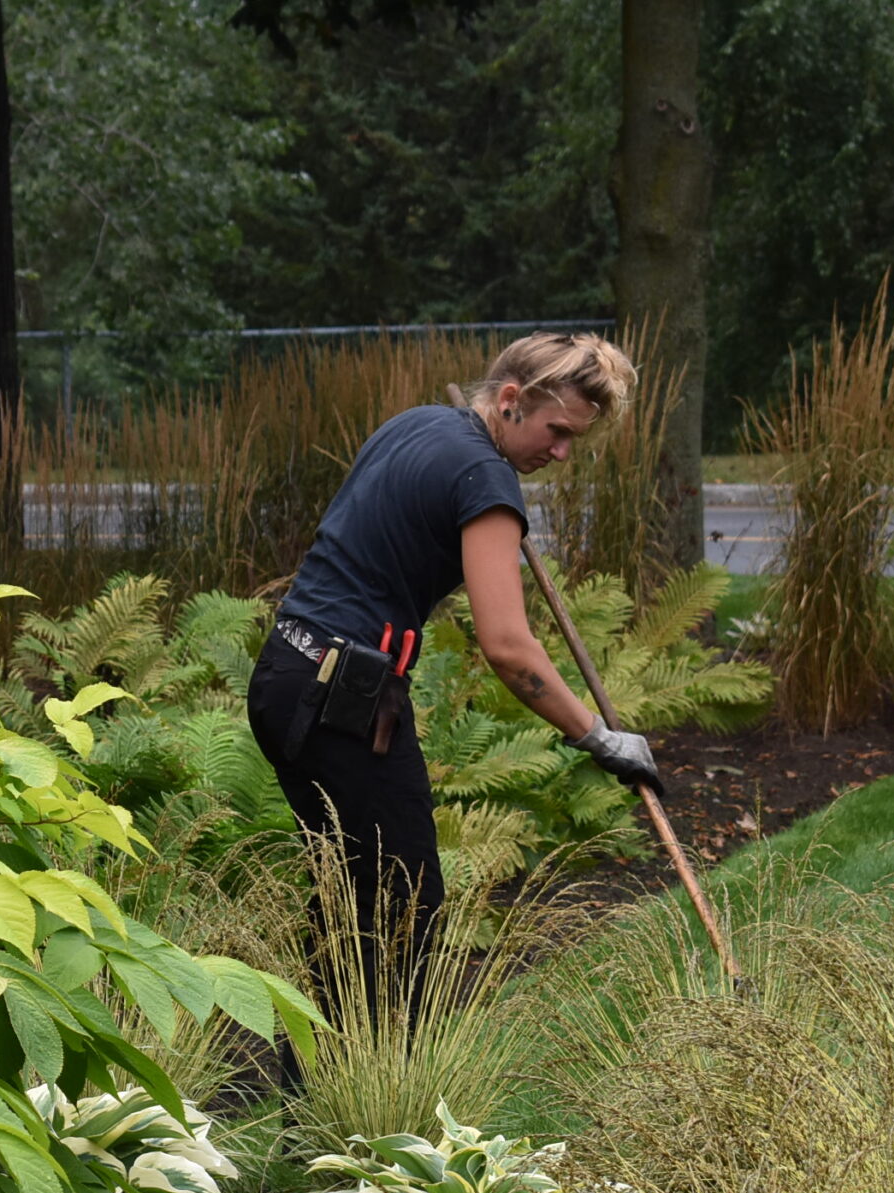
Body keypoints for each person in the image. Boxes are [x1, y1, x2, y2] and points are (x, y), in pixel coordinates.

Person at [245, 331, 664, 1001]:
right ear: (510, 399)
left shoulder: (417, 425)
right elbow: (508, 647)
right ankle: (372, 1064)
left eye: (574, 440)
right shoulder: (485, 478)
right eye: (557, 431)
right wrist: (598, 737)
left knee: (357, 894)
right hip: (341, 698)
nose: (561, 453)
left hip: (287, 673)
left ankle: (322, 1065)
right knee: (403, 902)